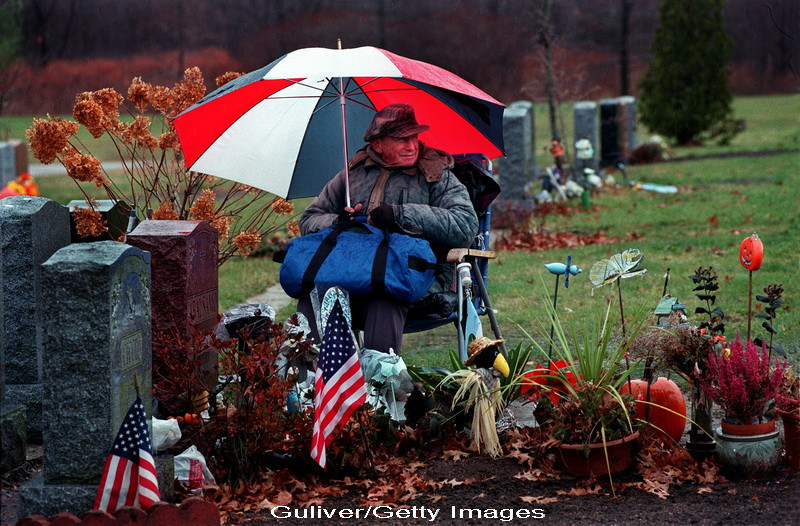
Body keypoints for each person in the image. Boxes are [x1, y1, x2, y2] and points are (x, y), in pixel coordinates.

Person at [298, 103, 479, 353]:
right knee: (313, 298)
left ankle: (380, 375)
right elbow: (308, 219)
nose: (412, 146)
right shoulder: (352, 174)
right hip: (353, 272)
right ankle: (316, 376)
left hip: (417, 275)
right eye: (401, 140)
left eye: (414, 137)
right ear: (378, 145)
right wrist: (337, 222)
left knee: (385, 296)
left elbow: (465, 225)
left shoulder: (437, 174)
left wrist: (400, 215)